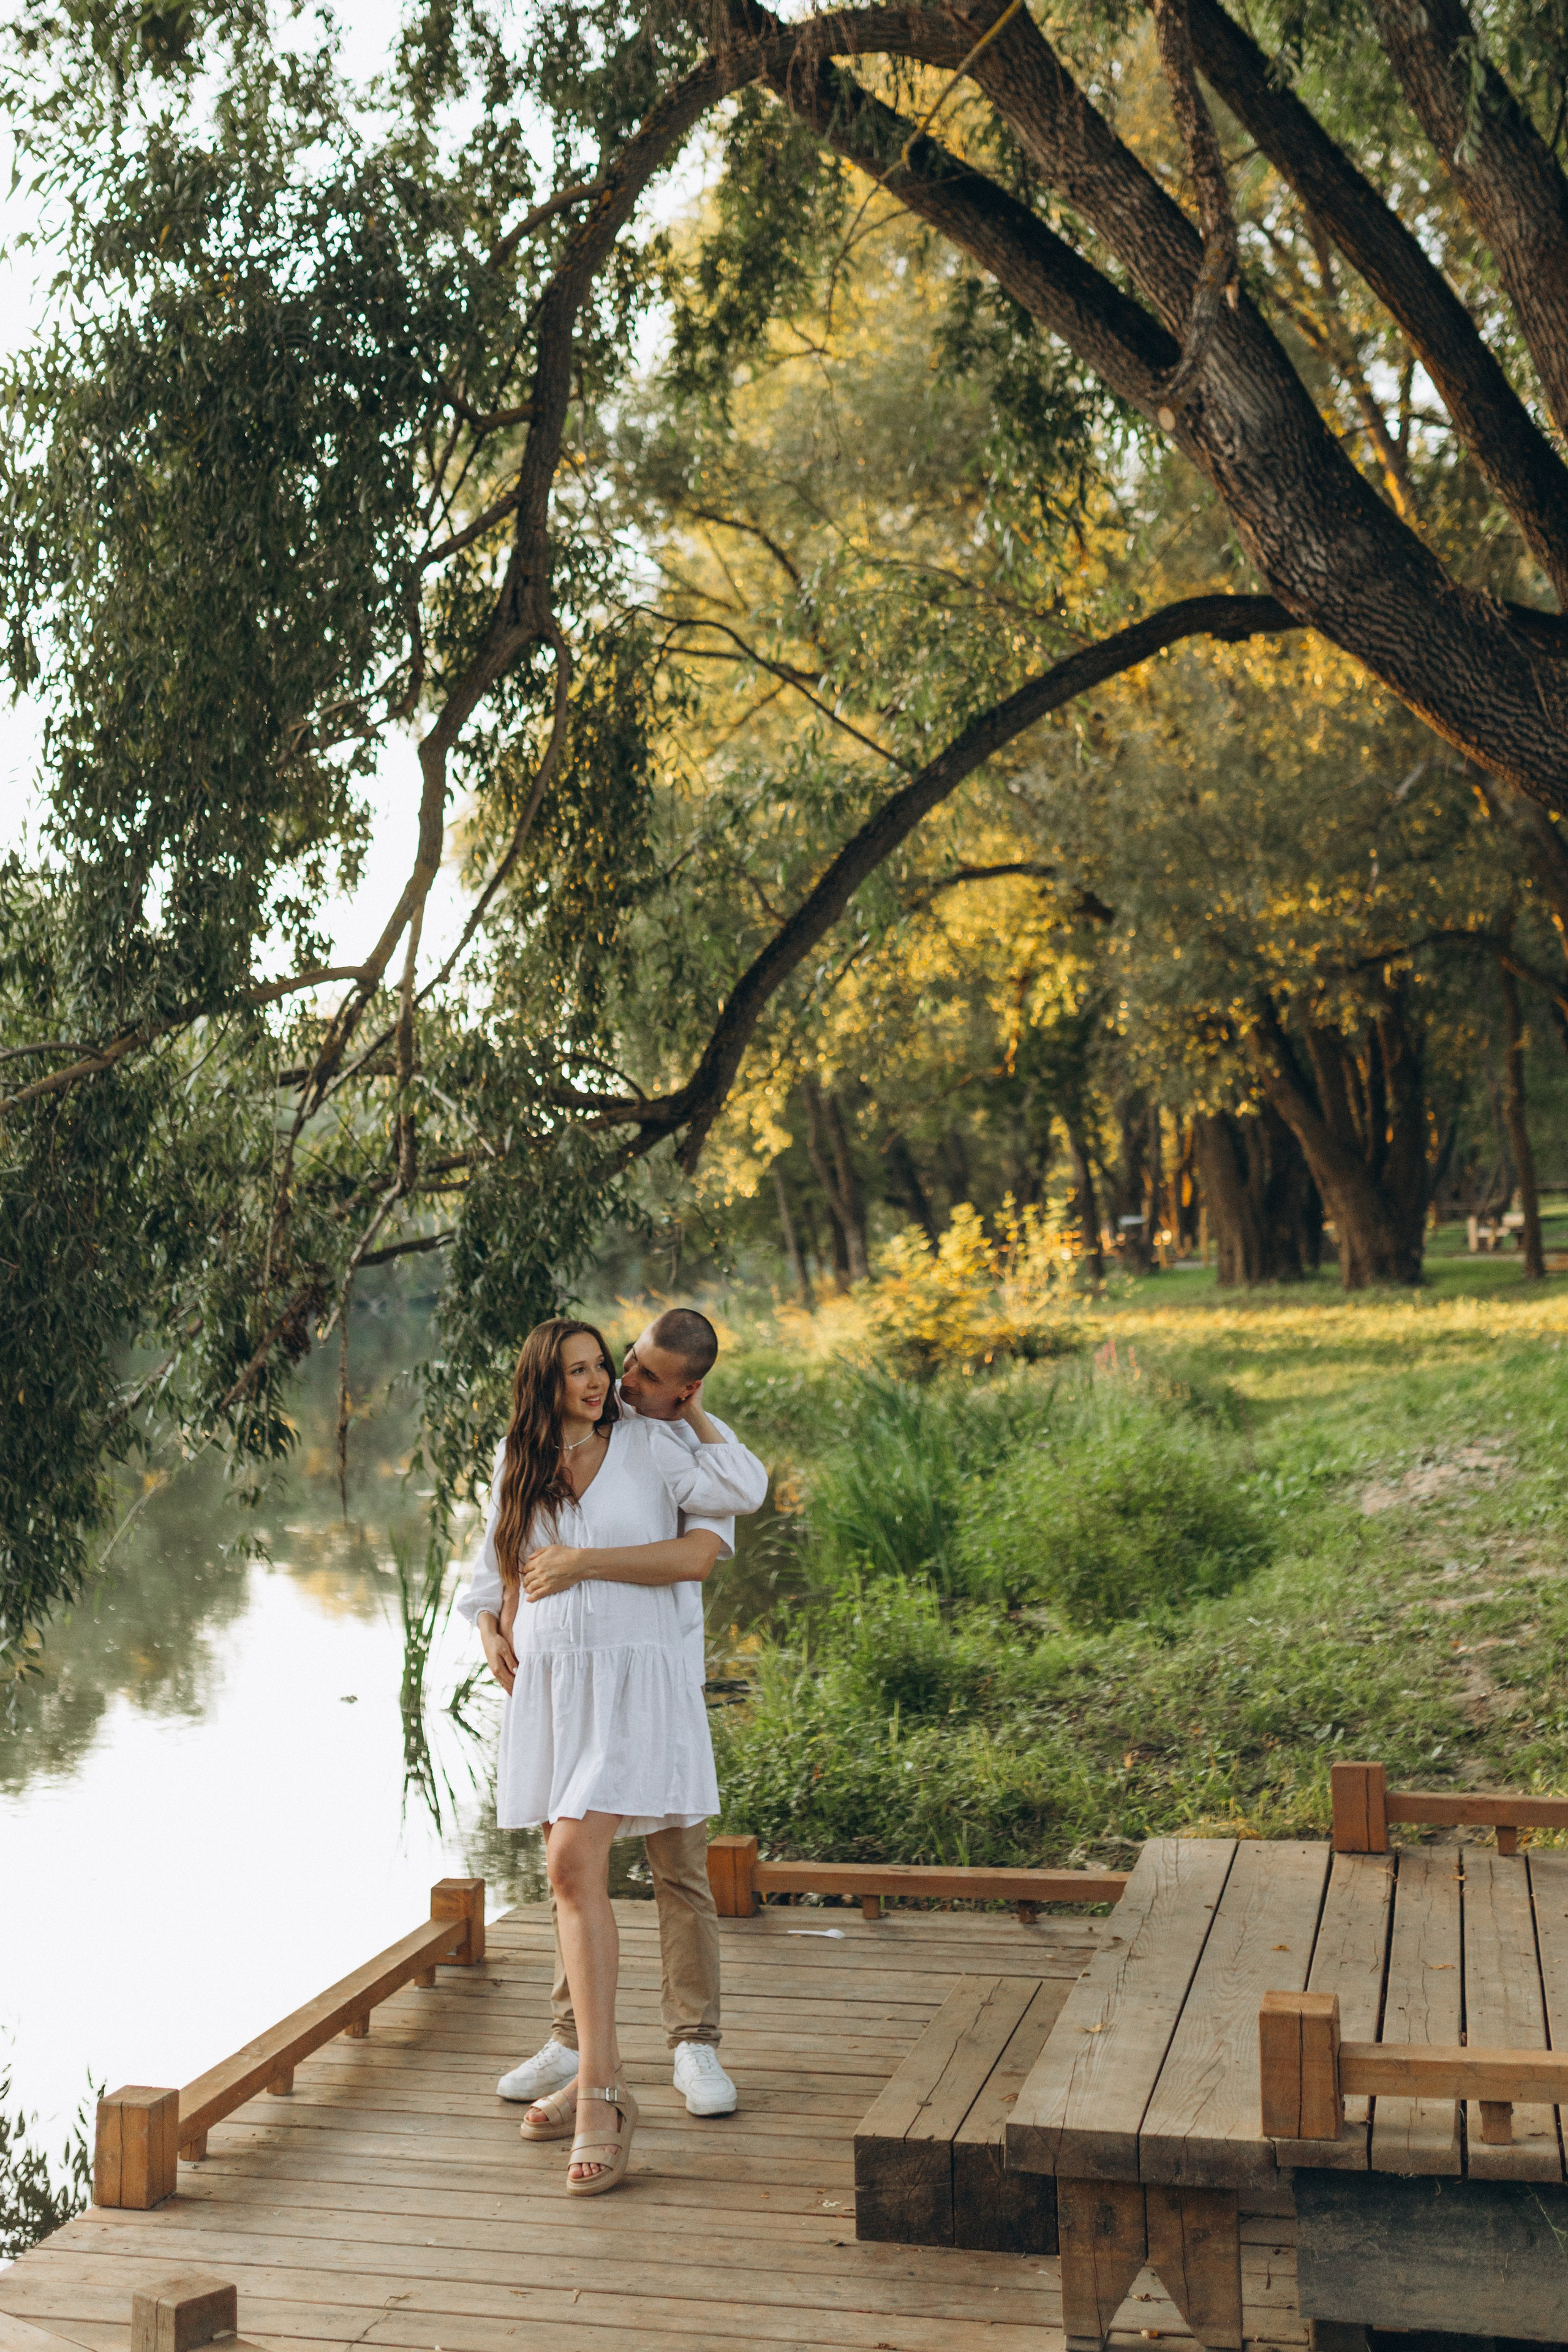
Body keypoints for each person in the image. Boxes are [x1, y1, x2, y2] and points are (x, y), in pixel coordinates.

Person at [456, 1314, 766, 2193]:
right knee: (571, 1877)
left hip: (641, 1684)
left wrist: (586, 1562)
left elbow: (726, 1512)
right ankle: (585, 2061)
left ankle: (659, 2063)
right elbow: (493, 1569)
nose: (605, 1384)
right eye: (587, 1370)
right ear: (544, 1384)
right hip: (557, 1692)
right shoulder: (518, 1462)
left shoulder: (658, 1442)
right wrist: (489, 1628)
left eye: (609, 1368)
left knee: (646, 1866)